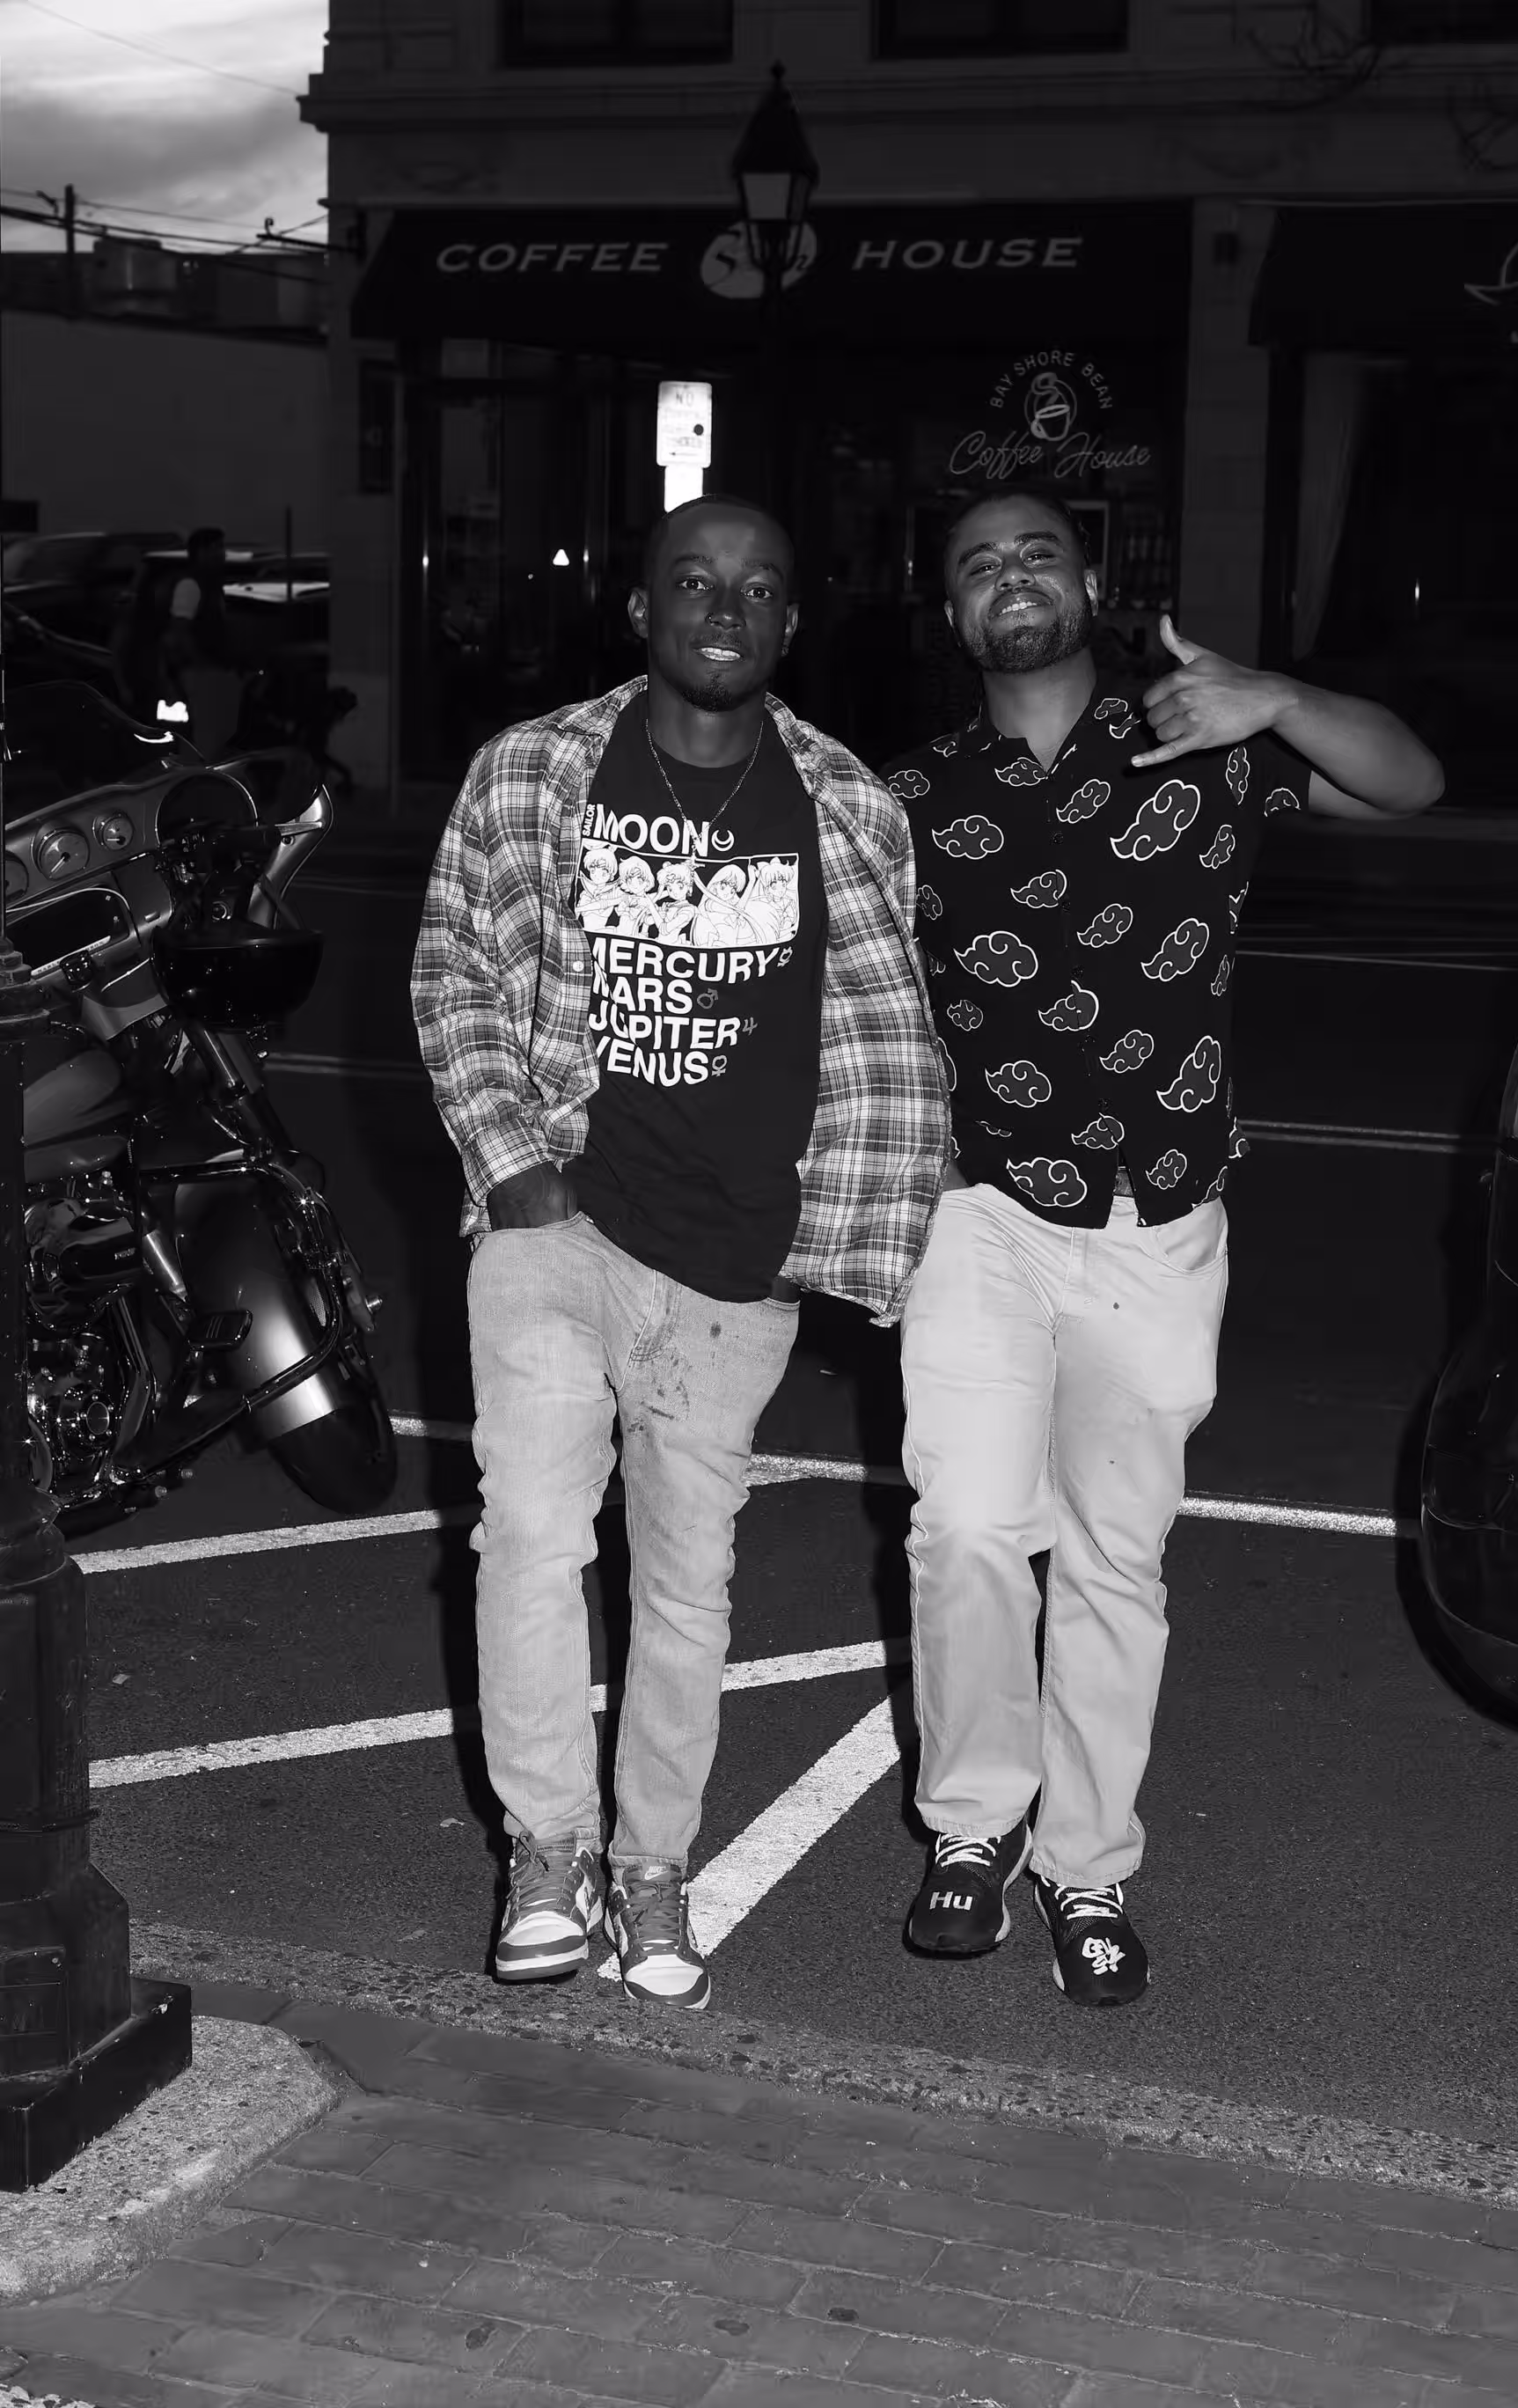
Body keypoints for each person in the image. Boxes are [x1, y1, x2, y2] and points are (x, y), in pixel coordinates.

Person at [887, 484, 1443, 2006]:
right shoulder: (907, 794)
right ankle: (969, 1829)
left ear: (1091, 583)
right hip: (981, 1213)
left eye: (1036, 553)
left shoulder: (1203, 747)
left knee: (1113, 1563)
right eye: (977, 563)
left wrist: (1273, 696)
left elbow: (1410, 781)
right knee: (964, 1528)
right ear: (951, 611)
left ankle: (1086, 1867)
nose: (1010, 576)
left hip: (1158, 1217)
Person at [412, 493, 949, 2012]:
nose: (726, 608)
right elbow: (453, 970)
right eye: (696, 583)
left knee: (687, 1584)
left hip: (736, 1265)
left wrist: (813, 1242)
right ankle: (547, 1853)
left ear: (792, 622)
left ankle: (651, 1868)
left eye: (759, 588)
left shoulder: (846, 804)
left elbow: (883, 1039)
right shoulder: (532, 770)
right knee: (529, 1533)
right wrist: (517, 1171)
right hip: (560, 1227)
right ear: (641, 610)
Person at [163, 525, 241, 760]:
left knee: (222, 732)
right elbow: (179, 630)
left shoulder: (212, 586)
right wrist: (200, 664)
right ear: (201, 552)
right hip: (203, 673)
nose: (222, 554)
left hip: (217, 670)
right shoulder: (190, 586)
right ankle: (199, 775)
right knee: (207, 735)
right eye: (216, 548)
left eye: (221, 548)